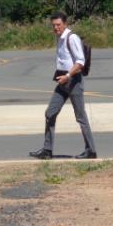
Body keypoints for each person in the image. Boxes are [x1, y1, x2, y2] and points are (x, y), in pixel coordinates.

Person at [29, 11, 97, 160]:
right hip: (62, 81)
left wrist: (67, 76)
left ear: (65, 24)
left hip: (73, 81)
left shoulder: (71, 38)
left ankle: (91, 150)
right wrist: (63, 77)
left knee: (80, 117)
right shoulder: (59, 38)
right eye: (53, 25)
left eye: (58, 25)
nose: (56, 28)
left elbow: (80, 62)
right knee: (50, 113)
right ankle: (47, 150)